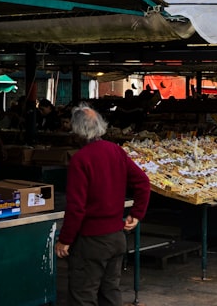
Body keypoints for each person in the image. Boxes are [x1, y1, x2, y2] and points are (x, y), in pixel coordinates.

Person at [56, 105, 151, 306]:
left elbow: (76, 208)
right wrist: (136, 214)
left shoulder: (80, 160)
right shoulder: (115, 150)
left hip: (91, 240)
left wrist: (64, 240)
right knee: (110, 292)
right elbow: (143, 182)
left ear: (77, 130)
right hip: (116, 237)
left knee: (83, 295)